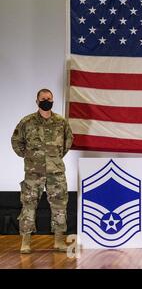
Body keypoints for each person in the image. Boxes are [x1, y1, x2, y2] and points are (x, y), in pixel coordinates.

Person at [11, 88, 73, 253]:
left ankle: (59, 241)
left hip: (56, 172)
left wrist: (55, 158)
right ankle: (26, 242)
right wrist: (29, 157)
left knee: (60, 206)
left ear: (52, 100)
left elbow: (68, 142)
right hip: (33, 173)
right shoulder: (27, 122)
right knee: (28, 205)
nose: (47, 100)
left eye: (49, 98)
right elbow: (16, 141)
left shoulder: (61, 122)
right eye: (43, 98)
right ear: (37, 101)